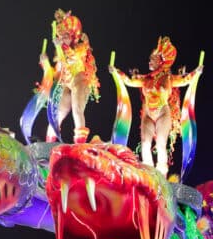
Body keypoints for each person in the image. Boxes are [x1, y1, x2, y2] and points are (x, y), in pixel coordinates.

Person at [110, 37, 202, 171]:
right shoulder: (146, 79)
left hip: (162, 113)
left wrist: (197, 72)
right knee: (145, 144)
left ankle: (161, 176)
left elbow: (185, 79)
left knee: (160, 145)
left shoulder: (168, 78)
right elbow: (129, 81)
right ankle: (150, 174)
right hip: (147, 114)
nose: (149, 61)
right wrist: (116, 71)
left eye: (152, 58)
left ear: (160, 61)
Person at [43, 9, 99, 144]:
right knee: (55, 116)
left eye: (67, 35)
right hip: (65, 84)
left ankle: (79, 147)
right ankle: (47, 149)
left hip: (79, 80)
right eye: (61, 35)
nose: (64, 38)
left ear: (73, 35)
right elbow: (54, 75)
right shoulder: (59, 55)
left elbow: (74, 59)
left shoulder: (80, 48)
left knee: (77, 110)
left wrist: (61, 46)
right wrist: (45, 62)